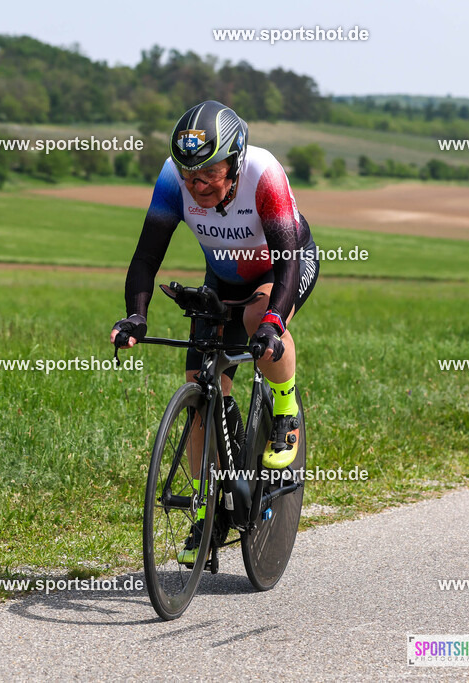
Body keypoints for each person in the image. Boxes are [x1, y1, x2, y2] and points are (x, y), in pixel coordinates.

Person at [110, 100, 319, 565]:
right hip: (223, 278)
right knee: (200, 388)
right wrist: (135, 316)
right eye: (189, 175)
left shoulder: (264, 174)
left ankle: (284, 410)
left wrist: (273, 322)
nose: (196, 184)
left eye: (209, 173)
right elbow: (146, 256)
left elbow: (287, 260)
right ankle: (210, 511)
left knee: (257, 320)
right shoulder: (172, 179)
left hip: (283, 266)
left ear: (236, 161)